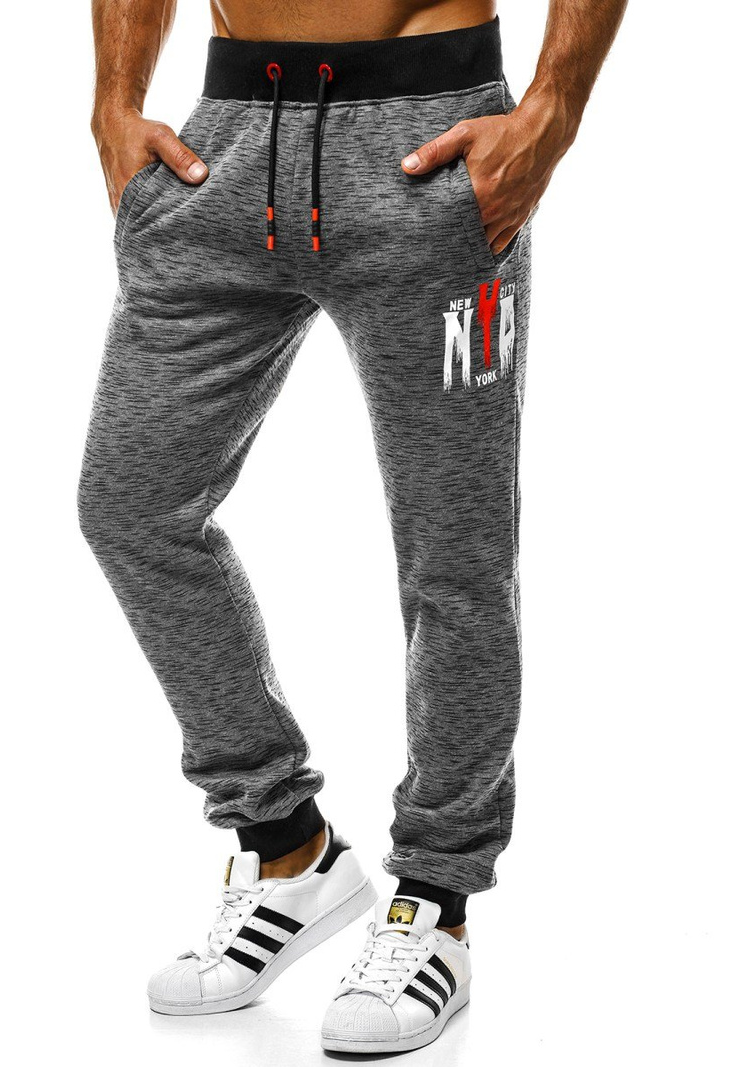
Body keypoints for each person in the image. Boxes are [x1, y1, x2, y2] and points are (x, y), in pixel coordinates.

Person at [80, 0, 627, 1052]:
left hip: (427, 150)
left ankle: (435, 897)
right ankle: (286, 843)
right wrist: (113, 101)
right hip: (222, 152)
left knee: (452, 550)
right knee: (131, 507)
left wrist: (553, 107)